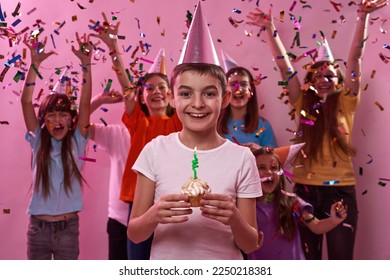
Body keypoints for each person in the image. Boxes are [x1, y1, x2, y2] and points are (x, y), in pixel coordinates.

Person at [246, 0, 388, 259]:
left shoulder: (346, 102)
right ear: (309, 82)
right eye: (317, 76)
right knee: (307, 261)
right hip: (305, 191)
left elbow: (355, 57)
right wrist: (270, 28)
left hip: (340, 191)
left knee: (340, 263)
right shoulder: (301, 101)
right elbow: (284, 68)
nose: (323, 80)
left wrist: (363, 17)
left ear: (339, 80)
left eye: (330, 76)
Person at [127, 61, 262, 259]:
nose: (198, 104)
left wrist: (234, 218)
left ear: (225, 99)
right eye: (185, 94)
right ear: (171, 98)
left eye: (209, 94)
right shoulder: (154, 151)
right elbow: (135, 234)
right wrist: (153, 215)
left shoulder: (242, 158)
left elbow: (250, 245)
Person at [90, 13, 182, 260]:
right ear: (142, 97)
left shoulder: (178, 122)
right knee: (136, 264)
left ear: (172, 95)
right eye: (149, 88)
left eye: (163, 87)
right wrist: (113, 47)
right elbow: (126, 86)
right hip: (139, 202)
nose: (156, 92)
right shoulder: (138, 123)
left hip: (171, 200)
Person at [21, 32, 93, 260]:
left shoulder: (77, 141)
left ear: (72, 119)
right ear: (44, 120)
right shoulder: (38, 141)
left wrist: (86, 64)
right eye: (50, 115)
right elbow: (25, 102)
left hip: (67, 230)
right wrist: (35, 65)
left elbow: (84, 102)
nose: (57, 120)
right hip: (37, 230)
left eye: (63, 115)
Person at [248, 147, 347, 260]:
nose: (269, 172)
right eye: (261, 168)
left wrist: (333, 220)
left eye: (274, 167)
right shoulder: (247, 205)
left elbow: (317, 226)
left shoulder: (292, 201)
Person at [88, 90, 130, 260]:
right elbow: (75, 124)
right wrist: (98, 101)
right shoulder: (117, 135)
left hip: (158, 222)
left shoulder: (169, 135)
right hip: (120, 222)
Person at [218, 66, 278, 151]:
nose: (238, 89)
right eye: (233, 84)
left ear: (251, 90)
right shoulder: (214, 125)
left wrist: (260, 151)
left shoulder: (263, 125)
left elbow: (275, 159)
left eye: (243, 84)